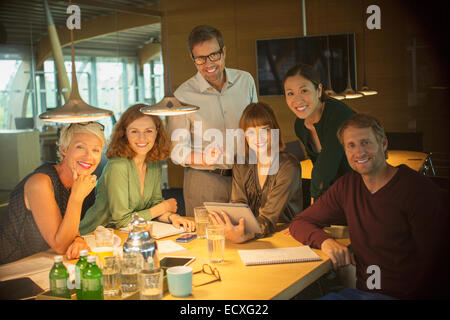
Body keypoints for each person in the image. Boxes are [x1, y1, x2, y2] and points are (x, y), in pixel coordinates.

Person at [289, 113, 448, 299]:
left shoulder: (417, 190)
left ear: (384, 144)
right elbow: (300, 222)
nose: (359, 152)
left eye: (365, 142)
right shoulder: (347, 186)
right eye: (351, 145)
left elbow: (438, 265)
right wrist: (325, 241)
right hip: (361, 293)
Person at [168, 24, 258, 217]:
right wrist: (204, 158)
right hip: (204, 180)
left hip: (244, 177)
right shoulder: (182, 95)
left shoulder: (246, 81)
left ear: (223, 51)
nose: (208, 64)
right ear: (192, 58)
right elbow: (176, 151)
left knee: (247, 237)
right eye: (200, 58)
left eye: (213, 55)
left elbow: (258, 127)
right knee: (206, 242)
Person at [79, 104, 194, 235]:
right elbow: (122, 221)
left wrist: (171, 217)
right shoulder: (117, 166)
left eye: (148, 131)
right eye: (134, 131)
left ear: (157, 132)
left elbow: (154, 204)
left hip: (128, 235)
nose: (142, 138)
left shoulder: (153, 163)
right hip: (95, 237)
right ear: (124, 133)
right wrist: (164, 207)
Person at [0, 122, 105, 264]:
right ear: (64, 149)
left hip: (44, 263)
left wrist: (77, 239)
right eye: (80, 147)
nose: (88, 156)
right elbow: (60, 245)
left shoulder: (81, 182)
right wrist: (76, 197)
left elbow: (69, 230)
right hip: (10, 267)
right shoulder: (40, 182)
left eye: (95, 150)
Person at [209, 102, 303, 243]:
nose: (258, 138)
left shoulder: (288, 165)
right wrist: (229, 224)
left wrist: (246, 233)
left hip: (285, 237)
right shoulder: (242, 163)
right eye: (251, 132)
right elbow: (238, 204)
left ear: (275, 131)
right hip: (252, 236)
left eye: (264, 130)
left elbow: (269, 218)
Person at [283, 63, 354, 203]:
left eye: (304, 91)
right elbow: (318, 167)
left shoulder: (337, 115)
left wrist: (316, 208)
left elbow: (324, 170)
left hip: (360, 191)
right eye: (290, 93)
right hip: (335, 194)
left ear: (319, 90)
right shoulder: (300, 126)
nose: (297, 100)